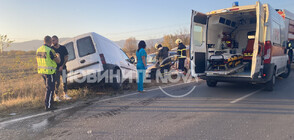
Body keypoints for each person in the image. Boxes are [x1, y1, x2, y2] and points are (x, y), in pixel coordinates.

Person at [36, 36, 60, 111]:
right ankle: (48, 105)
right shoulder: (50, 50)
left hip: (42, 72)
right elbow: (58, 61)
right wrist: (58, 56)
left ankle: (49, 103)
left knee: (48, 88)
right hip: (50, 72)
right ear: (50, 41)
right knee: (50, 89)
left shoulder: (38, 50)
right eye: (51, 41)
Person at [51, 35, 72, 101]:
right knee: (56, 83)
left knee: (65, 81)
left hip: (63, 67)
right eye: (52, 41)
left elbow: (66, 57)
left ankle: (65, 94)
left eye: (53, 40)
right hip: (55, 69)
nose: (52, 42)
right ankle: (56, 96)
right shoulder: (51, 49)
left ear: (57, 40)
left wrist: (62, 66)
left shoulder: (63, 48)